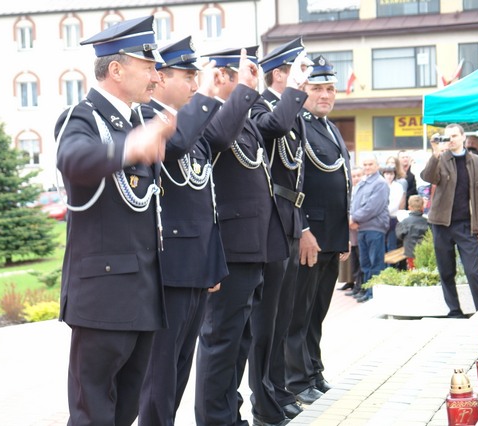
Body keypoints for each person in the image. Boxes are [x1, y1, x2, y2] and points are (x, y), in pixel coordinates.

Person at [54, 17, 176, 426]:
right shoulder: (82, 118)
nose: (157, 77)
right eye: (149, 67)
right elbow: (73, 159)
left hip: (142, 293)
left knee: (125, 411)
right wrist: (130, 147)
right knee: (93, 414)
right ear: (118, 69)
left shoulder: (137, 122)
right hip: (103, 296)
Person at [195, 46, 290, 426]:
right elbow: (217, 138)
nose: (248, 85)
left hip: (253, 246)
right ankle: (215, 419)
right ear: (220, 77)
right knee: (221, 341)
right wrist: (245, 93)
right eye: (241, 76)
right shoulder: (207, 115)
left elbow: (274, 130)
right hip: (230, 248)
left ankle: (229, 415)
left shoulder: (243, 117)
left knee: (239, 340)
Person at [136, 37, 228, 426]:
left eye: (196, 77)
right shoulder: (147, 119)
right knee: (159, 375)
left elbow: (206, 200)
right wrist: (206, 96)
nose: (194, 84)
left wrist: (212, 262)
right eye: (187, 77)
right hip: (169, 268)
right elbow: (174, 147)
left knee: (178, 369)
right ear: (161, 77)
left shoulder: (191, 123)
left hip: (195, 265)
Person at [249, 37, 312, 425]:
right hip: (270, 219)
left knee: (283, 315)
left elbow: (297, 173)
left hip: (289, 217)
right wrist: (293, 93)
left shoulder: (291, 109)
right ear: (279, 74)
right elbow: (273, 129)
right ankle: (264, 399)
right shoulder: (260, 106)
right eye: (299, 70)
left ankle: (279, 389)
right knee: (265, 320)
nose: (305, 78)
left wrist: (302, 225)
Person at [285, 55, 351, 406]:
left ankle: (312, 371)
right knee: (298, 313)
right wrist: (303, 229)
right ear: (303, 90)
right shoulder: (296, 124)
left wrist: (343, 235)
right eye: (317, 88)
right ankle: (296, 381)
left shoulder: (329, 127)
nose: (325, 95)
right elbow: (291, 183)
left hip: (331, 235)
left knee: (317, 312)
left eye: (330, 89)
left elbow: (342, 182)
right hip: (310, 237)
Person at [420, 123, 478, 318]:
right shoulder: (441, 158)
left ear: (463, 137)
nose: (450, 140)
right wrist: (435, 154)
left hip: (467, 225)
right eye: (447, 137)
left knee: (472, 270)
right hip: (441, 224)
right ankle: (454, 310)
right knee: (446, 270)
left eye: (453, 136)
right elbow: (428, 177)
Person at [349, 154, 389, 302]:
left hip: (374, 228)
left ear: (377, 166)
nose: (367, 167)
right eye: (365, 164)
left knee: (375, 262)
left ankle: (374, 293)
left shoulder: (380, 183)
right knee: (365, 263)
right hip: (362, 228)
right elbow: (354, 204)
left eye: (370, 164)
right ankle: (367, 290)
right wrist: (353, 217)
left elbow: (373, 207)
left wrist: (354, 218)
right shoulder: (363, 183)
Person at [345, 167, 364, 299]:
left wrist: (354, 219)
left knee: (362, 260)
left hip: (360, 227)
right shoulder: (350, 189)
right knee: (355, 261)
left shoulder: (364, 189)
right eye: (354, 176)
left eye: (359, 175)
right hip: (351, 229)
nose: (356, 178)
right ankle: (356, 285)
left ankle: (361, 286)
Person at [395, 196, 429, 269]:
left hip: (410, 252)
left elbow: (399, 235)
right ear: (423, 207)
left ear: (409, 207)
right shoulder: (427, 222)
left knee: (412, 269)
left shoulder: (404, 222)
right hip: (425, 252)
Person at [381, 165, 405, 254]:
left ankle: (391, 263)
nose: (389, 176)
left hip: (393, 218)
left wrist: (384, 212)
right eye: (387, 174)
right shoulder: (379, 185)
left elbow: (396, 203)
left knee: (391, 244)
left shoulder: (398, 186)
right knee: (381, 244)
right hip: (380, 219)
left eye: (391, 174)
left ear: (394, 175)